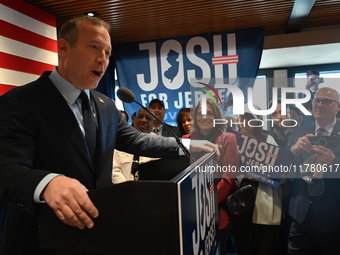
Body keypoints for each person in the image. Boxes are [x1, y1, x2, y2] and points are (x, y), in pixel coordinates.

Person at [0, 16, 219, 255]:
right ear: (63, 48)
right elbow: (6, 168)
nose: (102, 59)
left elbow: (135, 139)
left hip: (97, 232)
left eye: (107, 52)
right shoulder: (20, 103)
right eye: (94, 47)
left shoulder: (105, 104)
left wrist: (187, 145)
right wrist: (46, 183)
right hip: (40, 239)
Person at [287, 87, 340, 254]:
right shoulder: (299, 131)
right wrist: (294, 151)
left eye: (326, 101)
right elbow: (282, 168)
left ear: (337, 106)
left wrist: (334, 162)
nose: (319, 104)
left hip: (334, 216)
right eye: (316, 100)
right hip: (301, 214)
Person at [183, 98, 239, 255]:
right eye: (200, 113)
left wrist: (206, 204)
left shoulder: (228, 138)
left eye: (209, 113)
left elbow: (229, 178)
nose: (204, 117)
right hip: (190, 213)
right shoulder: (187, 140)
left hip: (217, 212)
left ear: (216, 116)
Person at [232, 104, 283, 255]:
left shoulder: (268, 139)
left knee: (264, 246)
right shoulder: (231, 139)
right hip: (239, 198)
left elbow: (279, 171)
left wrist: (261, 173)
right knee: (243, 245)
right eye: (244, 117)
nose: (246, 121)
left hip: (264, 197)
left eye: (250, 118)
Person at [112, 107, 158, 183]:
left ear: (153, 123)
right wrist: (128, 188)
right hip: (122, 190)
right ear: (134, 119)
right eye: (140, 116)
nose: (143, 120)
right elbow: (114, 170)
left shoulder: (158, 144)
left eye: (148, 118)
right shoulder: (120, 140)